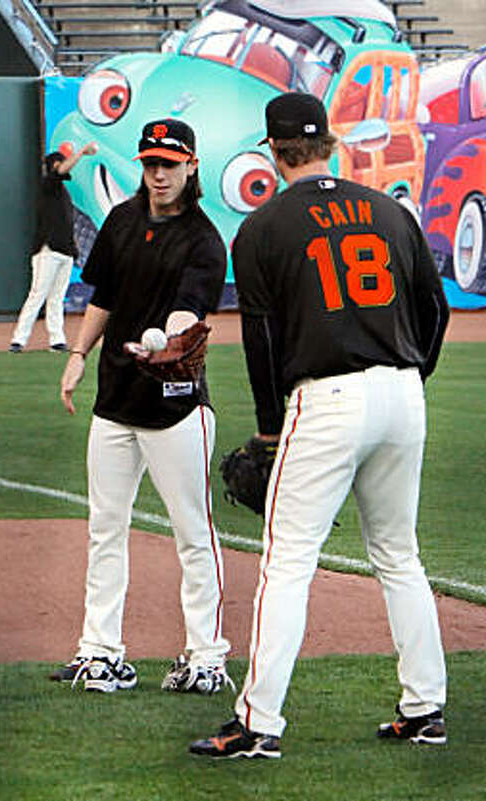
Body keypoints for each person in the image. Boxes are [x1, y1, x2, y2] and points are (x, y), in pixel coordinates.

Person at [191, 92, 450, 759]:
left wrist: (271, 429)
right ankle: (425, 706)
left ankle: (259, 721)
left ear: (273, 151)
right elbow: (437, 311)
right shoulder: (393, 212)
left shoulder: (263, 227)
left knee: (287, 563)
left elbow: (260, 339)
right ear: (331, 143)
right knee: (399, 555)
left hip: (326, 398)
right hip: (402, 392)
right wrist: (408, 381)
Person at [55, 119, 231, 696]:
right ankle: (100, 651)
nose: (159, 173)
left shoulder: (205, 240)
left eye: (170, 164)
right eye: (151, 162)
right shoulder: (122, 221)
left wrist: (162, 339)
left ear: (192, 167)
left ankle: (206, 655)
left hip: (176, 409)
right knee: (105, 528)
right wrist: (79, 353)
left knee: (192, 533)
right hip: (115, 401)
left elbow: (189, 312)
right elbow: (103, 296)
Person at [9, 141, 97, 353]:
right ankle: (19, 339)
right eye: (58, 163)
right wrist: (82, 152)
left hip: (65, 252)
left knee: (56, 298)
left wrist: (74, 249)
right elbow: (61, 170)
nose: (62, 166)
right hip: (47, 251)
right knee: (37, 294)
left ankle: (57, 340)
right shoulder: (47, 185)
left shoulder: (63, 193)